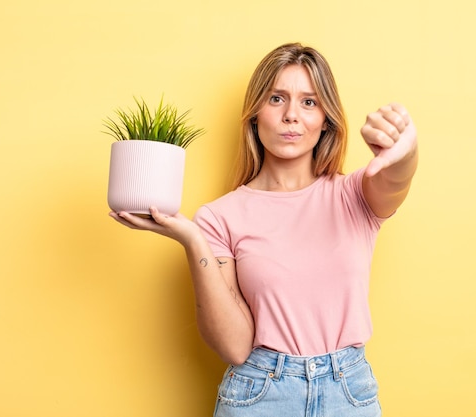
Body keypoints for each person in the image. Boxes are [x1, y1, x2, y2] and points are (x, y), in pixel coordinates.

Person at [110, 42, 418, 417]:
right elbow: (235, 347)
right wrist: (192, 240)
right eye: (276, 98)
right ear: (255, 114)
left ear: (326, 120)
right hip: (261, 395)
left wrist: (405, 147)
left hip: (349, 393)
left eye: (309, 102)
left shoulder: (354, 195)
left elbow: (395, 180)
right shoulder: (218, 217)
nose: (291, 115)